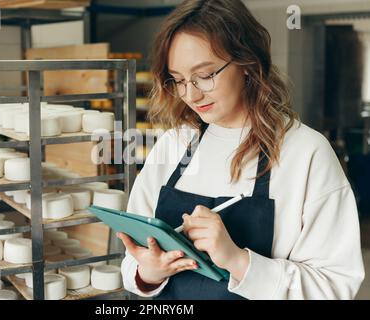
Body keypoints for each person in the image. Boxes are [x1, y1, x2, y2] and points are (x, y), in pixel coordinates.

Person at [117, 0, 365, 299]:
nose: (191, 94)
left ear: (247, 64)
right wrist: (149, 272)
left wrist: (238, 260)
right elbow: (134, 261)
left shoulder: (306, 152)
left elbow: (334, 287)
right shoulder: (173, 144)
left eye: (206, 75)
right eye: (179, 80)